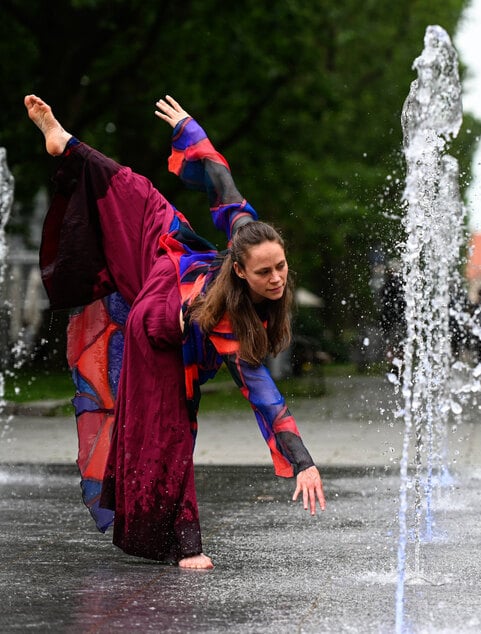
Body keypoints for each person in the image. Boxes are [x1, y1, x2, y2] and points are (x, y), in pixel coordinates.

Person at [26, 94, 326, 570]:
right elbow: (262, 390)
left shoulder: (248, 240)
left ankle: (68, 144)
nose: (277, 278)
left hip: (168, 299)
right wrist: (303, 459)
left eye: (281, 267)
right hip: (166, 301)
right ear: (240, 270)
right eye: (265, 272)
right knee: (135, 193)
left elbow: (221, 182)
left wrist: (190, 131)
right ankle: (65, 142)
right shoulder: (229, 306)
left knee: (143, 198)